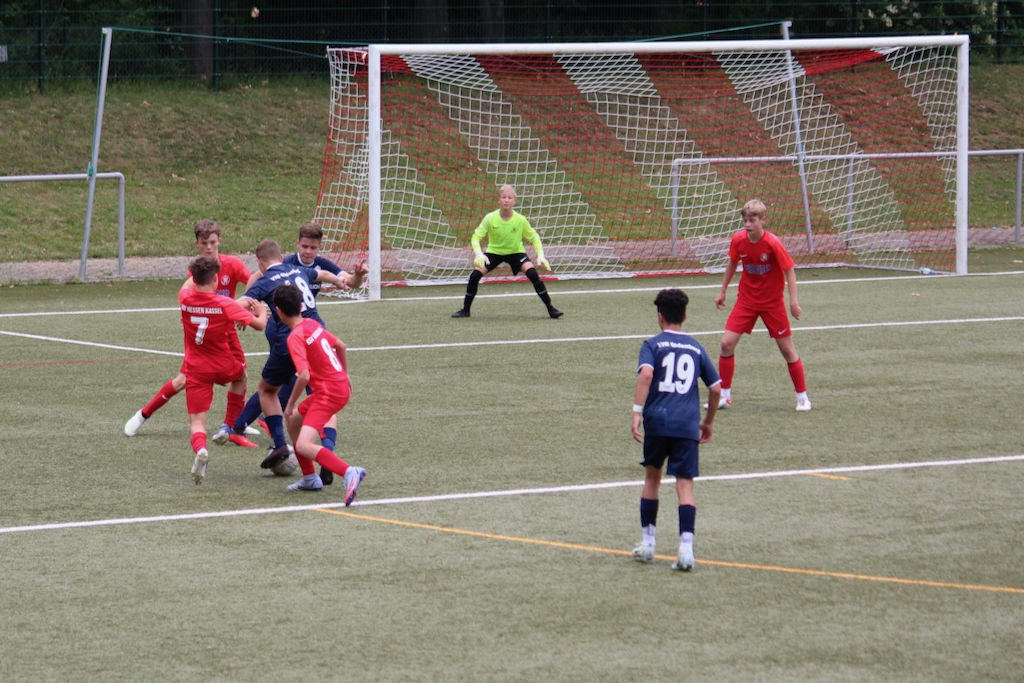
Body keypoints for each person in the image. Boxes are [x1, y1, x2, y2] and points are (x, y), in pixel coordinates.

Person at [225, 222, 367, 482]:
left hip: (290, 340)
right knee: (324, 397)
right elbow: (328, 276)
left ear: (260, 262)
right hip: (318, 334)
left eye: (313, 247)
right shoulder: (299, 268)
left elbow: (237, 303)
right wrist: (343, 279)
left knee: (268, 390)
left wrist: (240, 311)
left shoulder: (266, 280)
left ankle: (280, 444)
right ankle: (326, 451)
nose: (309, 250)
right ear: (283, 257)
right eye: (305, 246)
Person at [123, 219, 260, 444]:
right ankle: (143, 415)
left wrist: (244, 306)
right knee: (182, 381)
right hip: (203, 338)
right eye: (204, 243)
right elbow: (191, 296)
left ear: (219, 241)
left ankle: (235, 424)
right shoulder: (198, 270)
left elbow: (254, 282)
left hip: (227, 333)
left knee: (241, 374)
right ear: (197, 244)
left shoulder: (233, 264)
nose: (209, 247)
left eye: (212, 242)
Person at [631, 288, 720, 571]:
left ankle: (648, 544)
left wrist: (636, 411)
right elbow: (716, 388)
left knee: (652, 479)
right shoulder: (695, 347)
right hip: (687, 424)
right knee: (685, 485)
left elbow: (646, 374)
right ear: (685, 315)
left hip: (657, 421)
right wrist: (708, 421)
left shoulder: (652, 345)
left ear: (660, 316)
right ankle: (686, 551)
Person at [713, 199, 811, 412]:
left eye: (753, 220)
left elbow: (789, 270)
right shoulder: (738, 240)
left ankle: (803, 398)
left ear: (763, 220)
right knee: (726, 344)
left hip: (772, 304)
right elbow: (732, 262)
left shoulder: (773, 243)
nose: (748, 224)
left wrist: (793, 302)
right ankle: (724, 396)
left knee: (787, 350)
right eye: (745, 220)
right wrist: (722, 290)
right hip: (746, 301)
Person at [178, 255, 267, 485]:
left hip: (196, 368)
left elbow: (187, 286)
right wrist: (261, 312)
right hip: (222, 365)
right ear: (216, 279)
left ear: (194, 278)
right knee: (241, 377)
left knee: (197, 423)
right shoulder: (225, 304)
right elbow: (259, 326)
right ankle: (229, 424)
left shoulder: (184, 298)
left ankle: (201, 449)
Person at [274, 284, 366, 504]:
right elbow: (341, 346)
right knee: (294, 421)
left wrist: (289, 403)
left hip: (328, 393)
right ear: (300, 306)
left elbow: (303, 376)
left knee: (303, 444)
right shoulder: (312, 323)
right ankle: (310, 478)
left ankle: (349, 471)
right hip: (337, 387)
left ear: (278, 311)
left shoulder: (295, 337)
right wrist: (344, 374)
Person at [451, 184, 563, 319]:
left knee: (533, 273)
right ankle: (465, 310)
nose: (506, 200)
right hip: (494, 253)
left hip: (516, 253)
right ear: (498, 200)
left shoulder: (520, 220)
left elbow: (534, 237)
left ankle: (551, 309)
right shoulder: (490, 218)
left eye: (509, 198)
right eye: (503, 197)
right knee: (475, 275)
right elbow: (476, 236)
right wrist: (479, 253)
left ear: (514, 201)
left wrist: (541, 255)